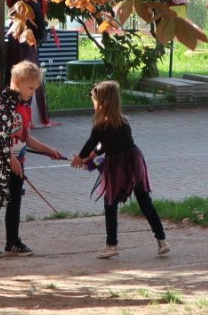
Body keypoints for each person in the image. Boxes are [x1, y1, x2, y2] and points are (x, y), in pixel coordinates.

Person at [70, 80, 169, 259]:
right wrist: (91, 156)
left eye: (94, 100)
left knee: (110, 202)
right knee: (145, 201)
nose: (94, 104)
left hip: (118, 167)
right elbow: (105, 144)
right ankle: (162, 240)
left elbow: (92, 143)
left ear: (101, 102)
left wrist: (80, 157)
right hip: (134, 162)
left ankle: (111, 245)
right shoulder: (123, 121)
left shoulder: (100, 125)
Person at [0, 60, 64, 258]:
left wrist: (48, 150)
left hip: (18, 164)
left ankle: (13, 242)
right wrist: (10, 159)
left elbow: (26, 137)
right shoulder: (4, 106)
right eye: (30, 88)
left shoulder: (24, 106)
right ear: (17, 82)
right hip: (0, 164)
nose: (32, 93)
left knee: (15, 203)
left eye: (35, 89)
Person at [5, 0, 52, 128]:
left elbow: (10, 5)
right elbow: (39, 13)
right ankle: (26, 117)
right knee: (28, 73)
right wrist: (41, 33)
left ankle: (15, 114)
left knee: (17, 73)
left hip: (16, 34)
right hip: (27, 36)